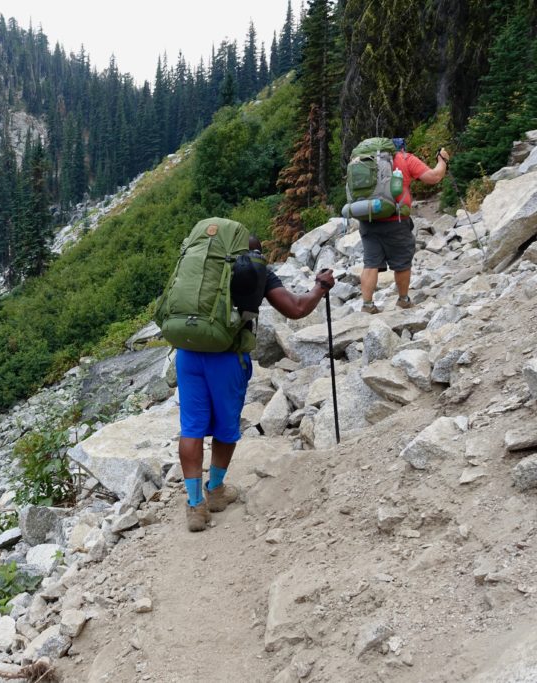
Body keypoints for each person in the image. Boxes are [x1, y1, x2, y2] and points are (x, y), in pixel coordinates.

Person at [178, 237, 335, 532]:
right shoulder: (254, 266)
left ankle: (194, 505)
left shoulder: (201, 265)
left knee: (191, 428)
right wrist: (321, 286)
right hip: (225, 357)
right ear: (255, 251)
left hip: (187, 352)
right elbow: (297, 308)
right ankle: (216, 491)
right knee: (225, 427)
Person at [359, 142, 450, 313]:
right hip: (396, 219)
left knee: (370, 262)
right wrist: (442, 160)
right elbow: (434, 177)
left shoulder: (364, 159)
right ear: (401, 147)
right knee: (401, 261)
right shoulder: (406, 159)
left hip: (368, 217)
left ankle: (367, 305)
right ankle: (403, 300)